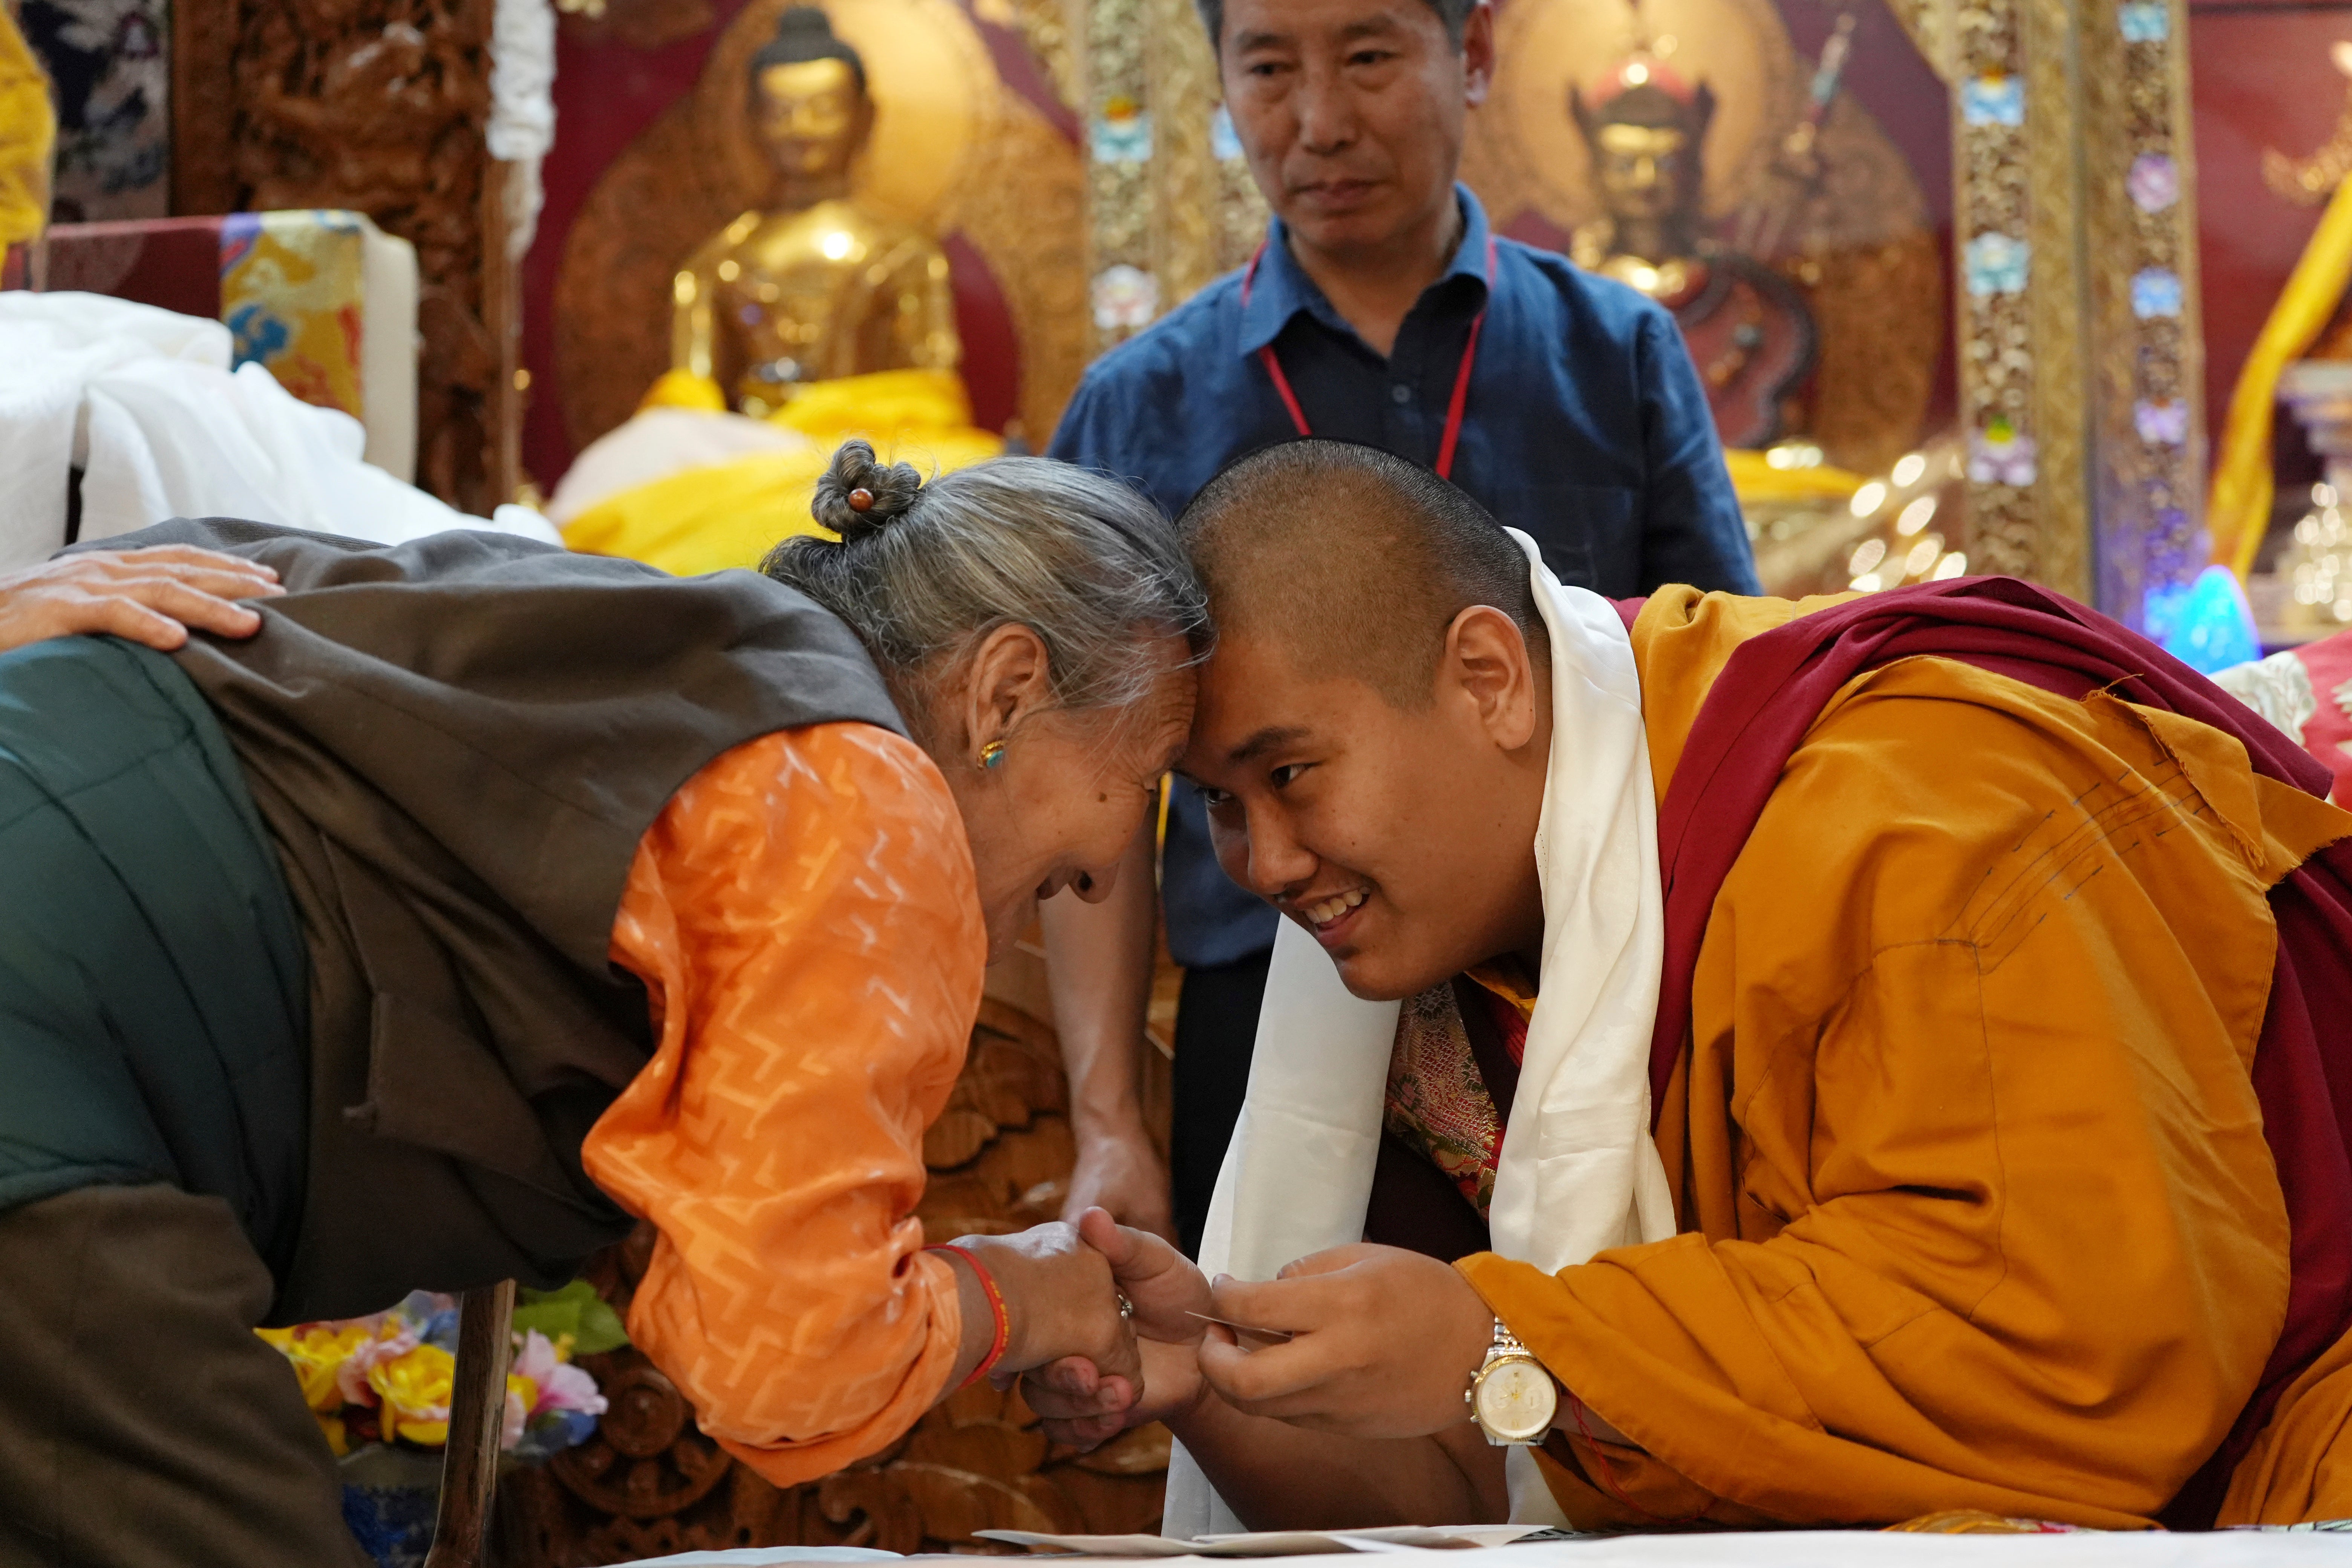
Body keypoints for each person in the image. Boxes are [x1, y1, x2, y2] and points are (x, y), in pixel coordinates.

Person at [1024, 439, 2352, 1531]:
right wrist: (1211, 1383)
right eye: (1217, 808)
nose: (1264, 862)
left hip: (2274, 1451)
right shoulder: (1441, 962)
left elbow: (2057, 1350)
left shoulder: (1929, 822)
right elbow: (1488, 1483)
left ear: (1488, 680)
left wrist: (1516, 1342)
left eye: (1292, 776)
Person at [0, 441, 1199, 1568]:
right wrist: (1025, 1295)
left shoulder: (647, 644)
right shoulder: (867, 805)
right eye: (1140, 783)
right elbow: (789, 1364)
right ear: (1005, 689)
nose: (1104, 871)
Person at [1043, 0, 1761, 1252]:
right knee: (1285, 1399)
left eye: (1370, 57)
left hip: (1588, 990)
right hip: (1269, 989)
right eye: (1267, 68)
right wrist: (1110, 1119)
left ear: (1473, 54)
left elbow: (1718, 692)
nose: (1319, 123)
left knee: (1595, 1396)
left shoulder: (1615, 354)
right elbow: (1084, 797)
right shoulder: (1138, 405)